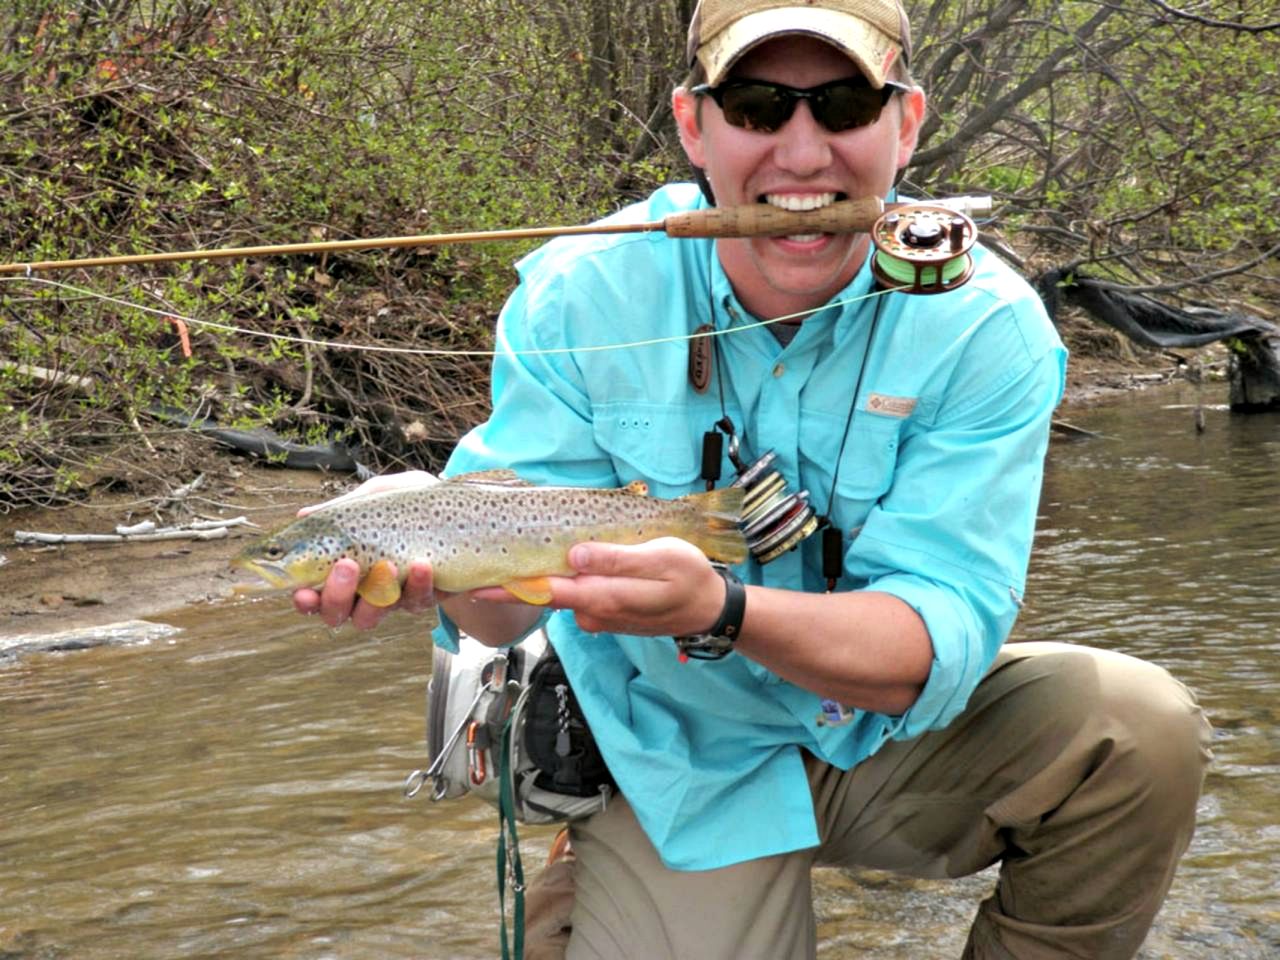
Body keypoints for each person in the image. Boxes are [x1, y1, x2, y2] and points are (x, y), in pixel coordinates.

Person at [294, 0, 1212, 956]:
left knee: (1137, 733)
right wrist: (420, 545)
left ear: (907, 123)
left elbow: (942, 629)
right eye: (760, 106)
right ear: (695, 123)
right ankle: (602, 875)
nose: (805, 154)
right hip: (671, 751)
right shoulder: (584, 290)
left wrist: (720, 611)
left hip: (886, 740)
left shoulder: (986, 324)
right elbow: (505, 618)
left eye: (847, 104)